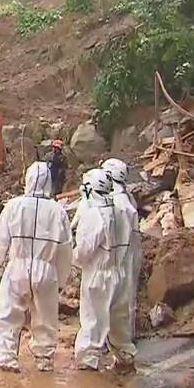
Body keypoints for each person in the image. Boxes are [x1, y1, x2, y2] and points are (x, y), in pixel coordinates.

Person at [0, 161, 73, 373]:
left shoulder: (13, 206)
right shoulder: (58, 211)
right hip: (46, 269)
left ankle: (5, 358)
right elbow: (65, 249)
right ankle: (44, 360)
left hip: (17, 266)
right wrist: (61, 280)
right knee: (45, 318)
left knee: (8, 315)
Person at [72, 168, 133, 372]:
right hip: (119, 272)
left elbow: (84, 249)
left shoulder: (94, 214)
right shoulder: (120, 209)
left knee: (93, 320)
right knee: (119, 320)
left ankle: (88, 363)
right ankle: (125, 358)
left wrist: (73, 261)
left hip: (99, 275)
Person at [101, 157, 141, 373]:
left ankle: (121, 354)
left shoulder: (116, 203)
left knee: (114, 307)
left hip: (118, 260)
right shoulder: (127, 199)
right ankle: (122, 348)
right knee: (125, 304)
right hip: (129, 256)